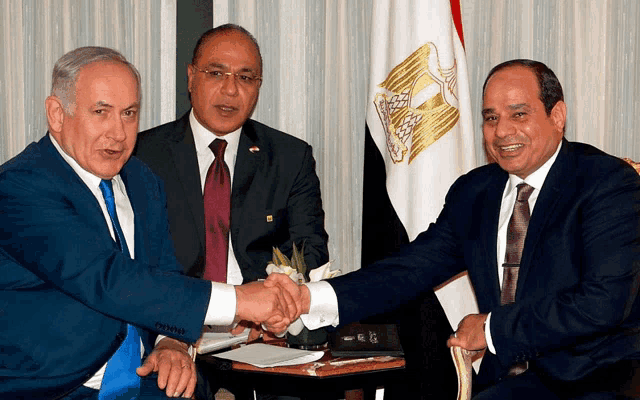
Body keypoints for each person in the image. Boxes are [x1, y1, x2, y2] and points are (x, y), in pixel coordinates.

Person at [269, 59, 640, 399]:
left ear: (557, 115)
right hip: (506, 381)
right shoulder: (476, 192)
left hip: (597, 381)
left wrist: (492, 329)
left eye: (519, 114)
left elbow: (602, 304)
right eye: (491, 118)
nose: (502, 132)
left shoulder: (607, 184)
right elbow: (409, 269)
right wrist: (307, 298)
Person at [0, 46, 296, 400]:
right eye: (101, 112)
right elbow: (108, 279)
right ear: (57, 114)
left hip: (142, 379)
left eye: (129, 113)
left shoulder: (143, 181)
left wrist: (170, 342)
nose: (119, 133)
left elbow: (164, 276)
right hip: (53, 388)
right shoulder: (19, 188)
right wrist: (241, 301)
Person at [133, 23, 329, 287]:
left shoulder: (290, 157)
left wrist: (277, 304)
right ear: (191, 78)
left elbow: (310, 251)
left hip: (260, 318)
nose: (230, 90)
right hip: (173, 316)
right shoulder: (143, 154)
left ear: (258, 86)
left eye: (245, 78)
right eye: (216, 73)